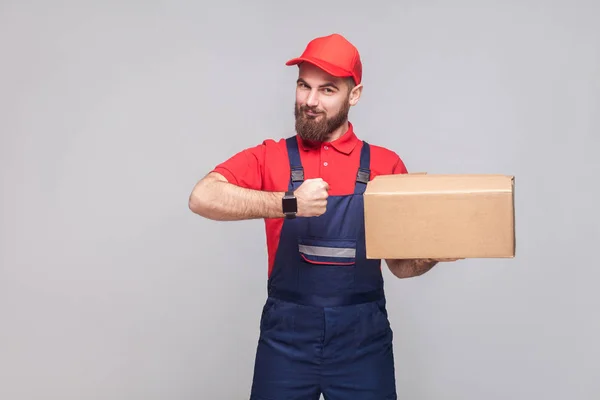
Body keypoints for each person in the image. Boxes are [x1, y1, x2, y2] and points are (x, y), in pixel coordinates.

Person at [189, 33, 456, 400]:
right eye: (303, 86)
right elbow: (202, 197)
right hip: (287, 339)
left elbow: (401, 266)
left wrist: (439, 252)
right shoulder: (271, 156)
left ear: (354, 95)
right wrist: (288, 204)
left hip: (362, 342)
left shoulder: (386, 165)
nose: (310, 102)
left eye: (327, 90)